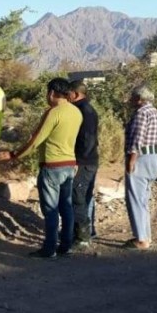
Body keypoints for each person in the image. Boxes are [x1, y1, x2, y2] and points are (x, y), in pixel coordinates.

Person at [0, 78, 82, 258]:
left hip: (52, 166)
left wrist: (13, 154)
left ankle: (49, 249)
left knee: (50, 209)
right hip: (70, 165)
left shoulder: (53, 113)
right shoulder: (76, 112)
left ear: (51, 93)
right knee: (66, 207)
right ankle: (66, 246)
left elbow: (35, 140)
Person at [123, 85, 157, 250]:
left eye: (133, 97)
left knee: (135, 199)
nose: (131, 100)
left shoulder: (141, 113)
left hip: (141, 159)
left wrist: (131, 159)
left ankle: (141, 239)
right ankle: (146, 236)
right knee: (143, 199)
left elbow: (137, 139)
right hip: (155, 158)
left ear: (139, 98)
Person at [68, 80, 100, 248]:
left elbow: (88, 139)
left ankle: (82, 237)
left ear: (75, 94)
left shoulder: (84, 111)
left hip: (84, 162)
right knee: (85, 196)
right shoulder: (86, 109)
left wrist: (78, 161)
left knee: (78, 196)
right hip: (89, 160)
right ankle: (87, 232)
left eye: (68, 93)